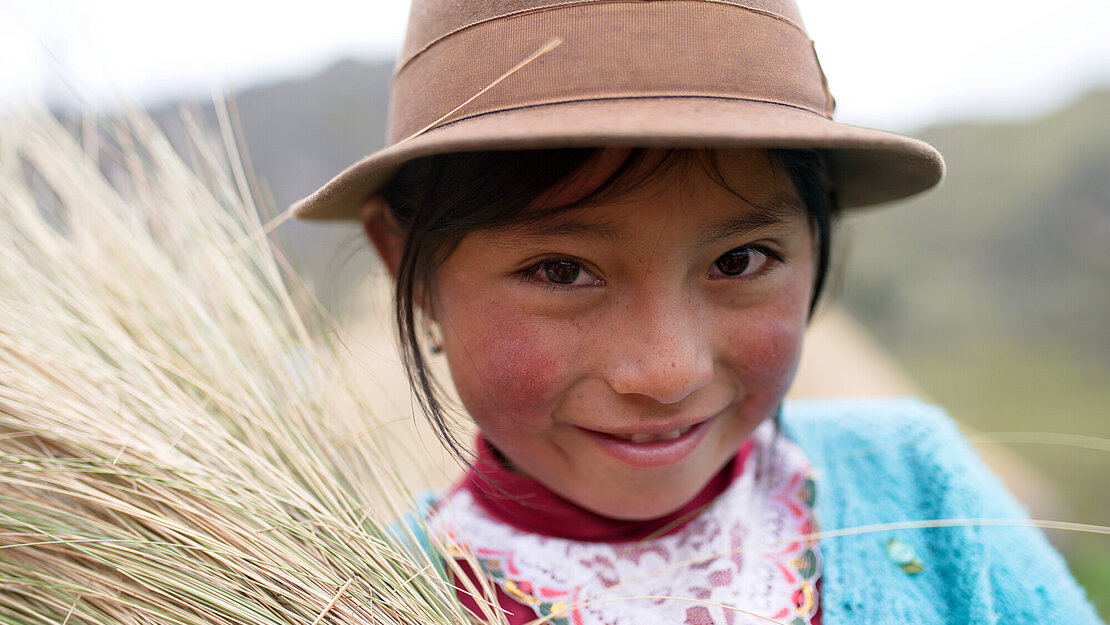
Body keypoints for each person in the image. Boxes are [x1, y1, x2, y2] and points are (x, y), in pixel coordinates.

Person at [293, 0, 1102, 623]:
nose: (667, 372)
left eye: (739, 260)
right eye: (561, 269)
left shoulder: (918, 486)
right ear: (407, 263)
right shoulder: (358, 600)